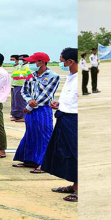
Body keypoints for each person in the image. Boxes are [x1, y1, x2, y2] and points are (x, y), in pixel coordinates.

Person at [13, 52, 61, 173]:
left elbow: (47, 94)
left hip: (43, 109)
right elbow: (24, 90)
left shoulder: (53, 76)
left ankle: (45, 163)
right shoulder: (31, 76)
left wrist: (30, 106)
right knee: (31, 133)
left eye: (33, 62)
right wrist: (29, 101)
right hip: (30, 108)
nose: (30, 64)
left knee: (44, 135)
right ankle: (30, 159)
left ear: (41, 62)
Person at [43, 48, 80, 202]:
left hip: (73, 120)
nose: (61, 63)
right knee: (66, 154)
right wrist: (59, 104)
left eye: (62, 60)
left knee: (75, 153)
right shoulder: (71, 76)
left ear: (70, 61)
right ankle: (75, 184)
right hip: (64, 117)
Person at [11, 55, 33, 122]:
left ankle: (23, 116)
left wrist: (17, 75)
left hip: (21, 85)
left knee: (21, 102)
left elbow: (26, 75)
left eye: (22, 59)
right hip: (16, 84)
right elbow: (15, 75)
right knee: (16, 102)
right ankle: (17, 115)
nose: (21, 61)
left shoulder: (27, 67)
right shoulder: (20, 66)